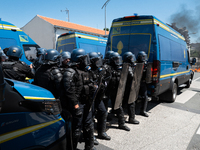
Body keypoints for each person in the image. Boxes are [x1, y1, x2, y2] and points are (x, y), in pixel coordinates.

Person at [60, 48, 96, 150]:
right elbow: (69, 91)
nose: (86, 61)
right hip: (77, 104)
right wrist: (75, 105)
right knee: (76, 128)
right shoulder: (70, 72)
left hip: (86, 102)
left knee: (88, 125)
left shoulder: (85, 70)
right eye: (84, 59)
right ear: (79, 59)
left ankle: (89, 146)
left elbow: (90, 83)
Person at [89, 52, 111, 142]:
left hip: (98, 97)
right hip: (90, 98)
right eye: (96, 61)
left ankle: (101, 132)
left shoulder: (100, 70)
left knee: (103, 112)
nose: (98, 62)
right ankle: (91, 136)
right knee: (91, 116)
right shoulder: (88, 71)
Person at [107, 52, 130, 131]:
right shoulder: (108, 68)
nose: (118, 61)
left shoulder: (119, 68)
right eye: (116, 60)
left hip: (116, 91)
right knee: (104, 108)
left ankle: (121, 123)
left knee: (119, 107)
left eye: (118, 59)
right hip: (107, 91)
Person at [122, 52, 140, 124]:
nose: (133, 59)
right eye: (131, 58)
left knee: (124, 102)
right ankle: (131, 118)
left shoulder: (127, 65)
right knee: (131, 103)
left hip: (126, 87)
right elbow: (132, 76)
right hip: (129, 87)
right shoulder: (127, 67)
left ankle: (121, 116)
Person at [137, 51, 149, 117]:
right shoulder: (136, 64)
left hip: (143, 82)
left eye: (144, 56)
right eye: (142, 57)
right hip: (136, 83)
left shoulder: (146, 65)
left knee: (145, 97)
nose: (144, 58)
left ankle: (143, 111)